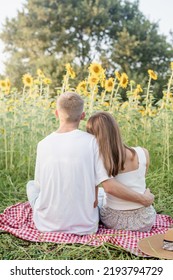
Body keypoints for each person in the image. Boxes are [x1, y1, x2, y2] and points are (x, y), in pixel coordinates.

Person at [26, 92, 154, 235]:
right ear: (82, 116)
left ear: (57, 113)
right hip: (86, 226)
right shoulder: (93, 142)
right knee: (98, 194)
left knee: (31, 185)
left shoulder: (42, 144)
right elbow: (107, 184)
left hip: (46, 224)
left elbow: (41, 184)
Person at [86, 111, 156, 232]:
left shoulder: (100, 160)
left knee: (101, 196)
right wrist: (144, 198)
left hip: (114, 221)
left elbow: (105, 192)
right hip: (145, 220)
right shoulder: (143, 152)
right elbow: (139, 183)